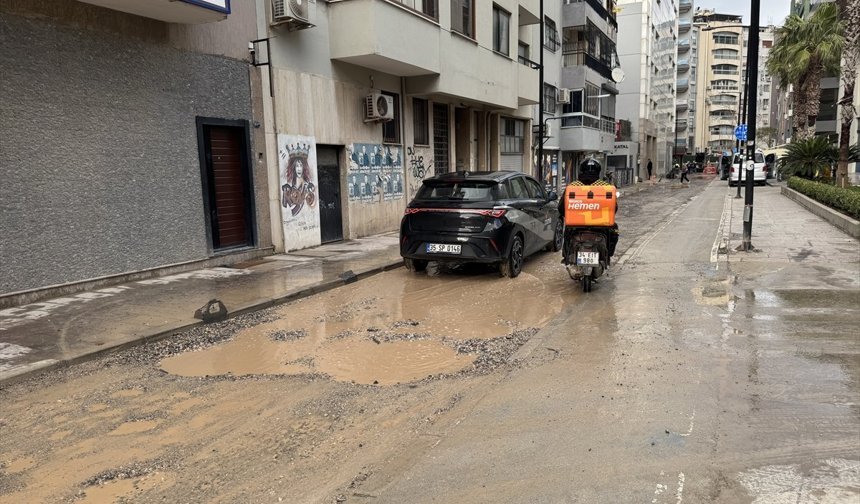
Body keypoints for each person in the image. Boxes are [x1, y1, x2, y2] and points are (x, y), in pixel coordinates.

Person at [559, 158, 619, 263]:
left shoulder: (572, 187)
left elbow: (561, 208)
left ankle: (567, 257)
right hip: (601, 226)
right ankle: (607, 257)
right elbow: (614, 209)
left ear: (581, 170)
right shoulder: (607, 187)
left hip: (575, 227)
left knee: (568, 231)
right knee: (614, 230)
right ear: (598, 171)